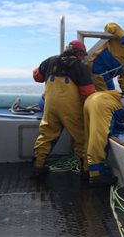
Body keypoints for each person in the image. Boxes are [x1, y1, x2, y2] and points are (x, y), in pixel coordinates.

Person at [32, 40, 96, 177]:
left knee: (46, 134)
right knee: (82, 136)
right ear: (79, 53)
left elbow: (36, 76)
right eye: (82, 55)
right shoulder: (80, 67)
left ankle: (38, 166)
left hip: (50, 106)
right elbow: (88, 93)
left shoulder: (50, 61)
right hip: (70, 109)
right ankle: (86, 171)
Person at [87, 22, 124, 92]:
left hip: (106, 74)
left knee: (111, 93)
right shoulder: (120, 40)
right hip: (96, 65)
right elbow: (110, 26)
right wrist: (122, 35)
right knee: (109, 94)